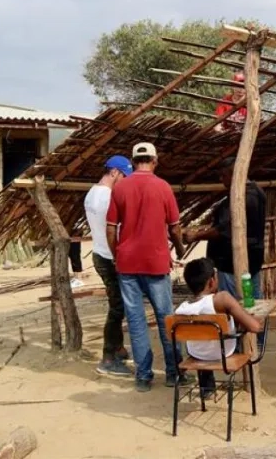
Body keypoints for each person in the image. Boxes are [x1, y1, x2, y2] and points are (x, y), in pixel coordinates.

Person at [106, 142, 190, 392]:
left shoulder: (120, 188)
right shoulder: (163, 187)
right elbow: (174, 227)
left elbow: (111, 228)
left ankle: (143, 375)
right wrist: (180, 248)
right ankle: (174, 372)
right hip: (155, 262)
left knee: (135, 320)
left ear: (132, 162)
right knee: (166, 318)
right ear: (155, 160)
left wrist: (116, 254)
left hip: (127, 264)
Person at [175, 258, 262, 398]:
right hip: (223, 352)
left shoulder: (182, 308)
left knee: (206, 337)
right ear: (211, 281)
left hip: (196, 352)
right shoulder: (222, 299)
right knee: (242, 328)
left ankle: (208, 389)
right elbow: (255, 327)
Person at [184, 157, 266, 299]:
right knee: (252, 302)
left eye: (224, 176)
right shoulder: (256, 192)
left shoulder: (243, 197)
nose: (221, 180)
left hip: (232, 265)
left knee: (237, 304)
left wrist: (195, 236)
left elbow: (224, 230)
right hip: (250, 261)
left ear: (234, 174)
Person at [85, 155, 133, 376]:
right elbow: (114, 230)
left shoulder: (91, 193)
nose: (125, 180)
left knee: (117, 304)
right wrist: (119, 257)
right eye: (124, 176)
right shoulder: (108, 197)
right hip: (110, 256)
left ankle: (118, 347)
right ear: (114, 172)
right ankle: (108, 357)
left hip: (99, 253)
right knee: (117, 309)